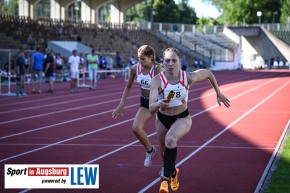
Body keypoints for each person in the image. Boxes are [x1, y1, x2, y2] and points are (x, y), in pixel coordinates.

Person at [149, 47, 230, 193]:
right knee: (164, 154)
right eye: (167, 60)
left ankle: (164, 181)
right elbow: (150, 107)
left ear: (180, 62)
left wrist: (218, 92)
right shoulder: (157, 81)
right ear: (163, 63)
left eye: (174, 60)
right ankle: (173, 173)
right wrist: (159, 104)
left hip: (182, 117)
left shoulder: (188, 77)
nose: (170, 64)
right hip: (162, 119)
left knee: (170, 140)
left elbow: (208, 73)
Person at [112, 45, 162, 167]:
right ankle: (150, 150)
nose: (140, 61)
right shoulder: (135, 68)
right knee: (136, 128)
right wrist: (121, 104)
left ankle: (166, 167)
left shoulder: (157, 69)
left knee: (164, 136)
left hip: (160, 101)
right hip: (145, 102)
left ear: (151, 57)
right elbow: (128, 87)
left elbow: (164, 86)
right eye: (139, 58)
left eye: (143, 59)